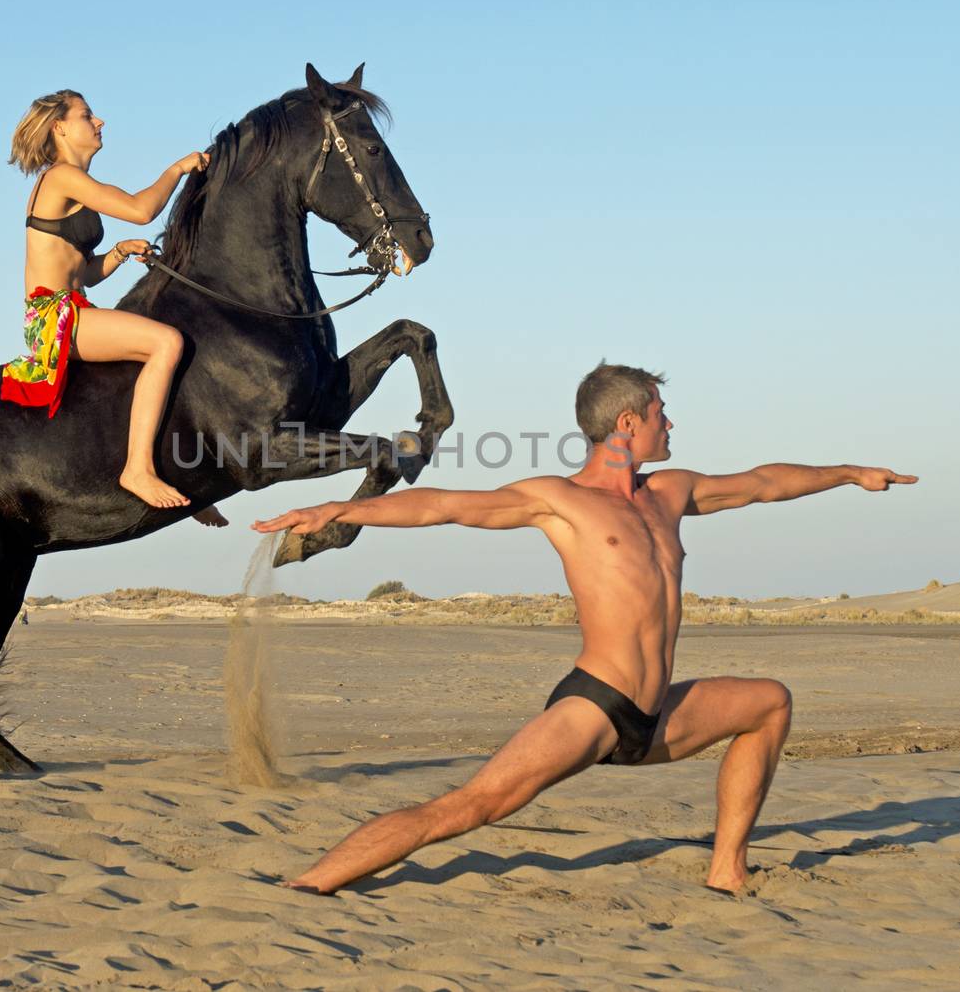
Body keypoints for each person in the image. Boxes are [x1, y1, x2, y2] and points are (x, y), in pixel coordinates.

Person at [253, 362, 916, 895]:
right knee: (472, 805)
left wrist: (848, 474)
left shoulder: (671, 493)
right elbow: (448, 506)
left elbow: (763, 483)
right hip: (595, 705)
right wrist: (344, 507)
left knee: (768, 702)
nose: (671, 423)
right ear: (629, 421)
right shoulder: (561, 500)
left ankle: (727, 868)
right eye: (661, 412)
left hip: (656, 716)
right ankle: (313, 881)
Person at [3, 89, 224, 522]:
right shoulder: (61, 178)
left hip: (72, 306)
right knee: (165, 343)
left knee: (153, 352)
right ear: (60, 127)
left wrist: (119, 252)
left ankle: (175, 469)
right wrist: (177, 168)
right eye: (87, 115)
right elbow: (142, 209)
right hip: (55, 318)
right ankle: (138, 470)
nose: (99, 121)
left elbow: (81, 273)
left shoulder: (69, 185)